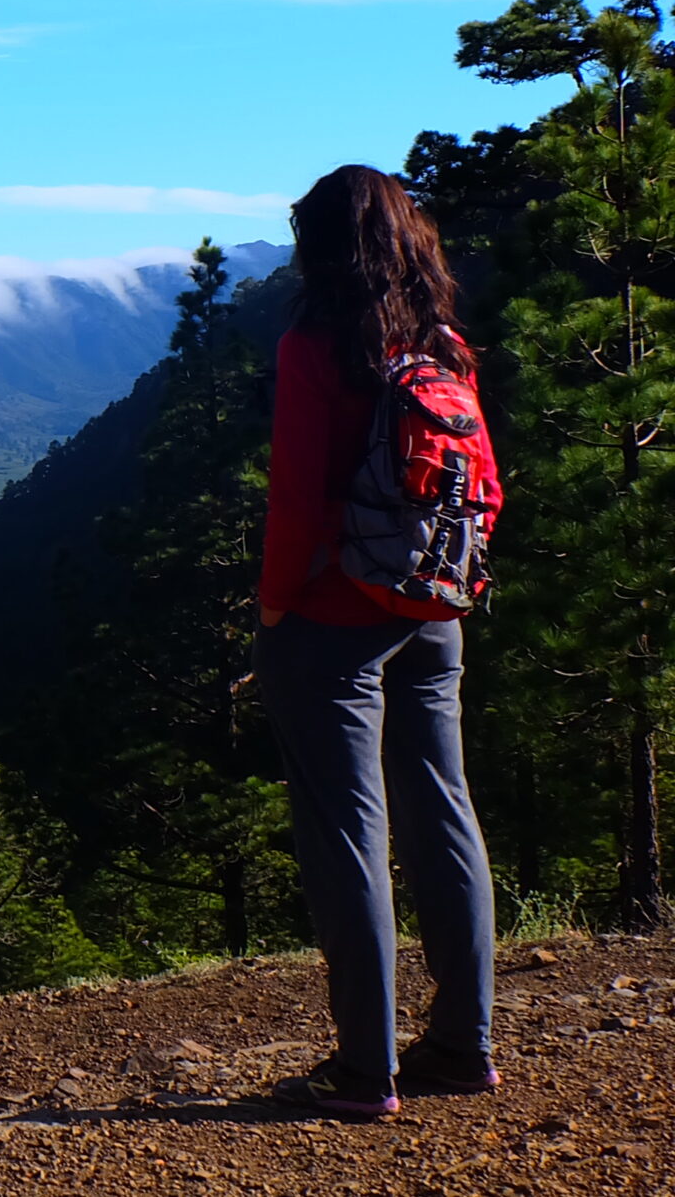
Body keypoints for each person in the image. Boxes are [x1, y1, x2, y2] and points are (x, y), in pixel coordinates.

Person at [255, 164, 500, 1121]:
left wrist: (277, 609)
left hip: (332, 619)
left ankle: (364, 1072)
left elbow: (296, 500)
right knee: (445, 809)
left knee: (348, 833)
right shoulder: (444, 342)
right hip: (432, 608)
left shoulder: (317, 344)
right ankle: (461, 1043)